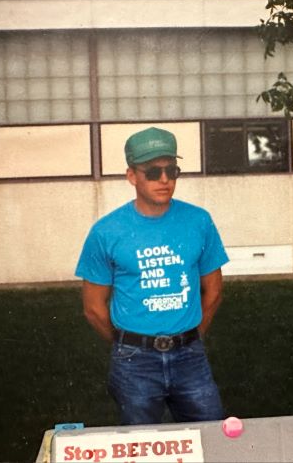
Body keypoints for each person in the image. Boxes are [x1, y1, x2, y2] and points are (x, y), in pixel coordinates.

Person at [75, 126, 228, 425]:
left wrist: (191, 336)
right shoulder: (107, 231)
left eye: (172, 171)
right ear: (132, 175)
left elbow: (214, 291)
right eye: (153, 172)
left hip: (190, 358)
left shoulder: (199, 221)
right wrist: (126, 343)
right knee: (140, 447)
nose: (164, 180)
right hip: (134, 362)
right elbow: (93, 308)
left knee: (210, 438)